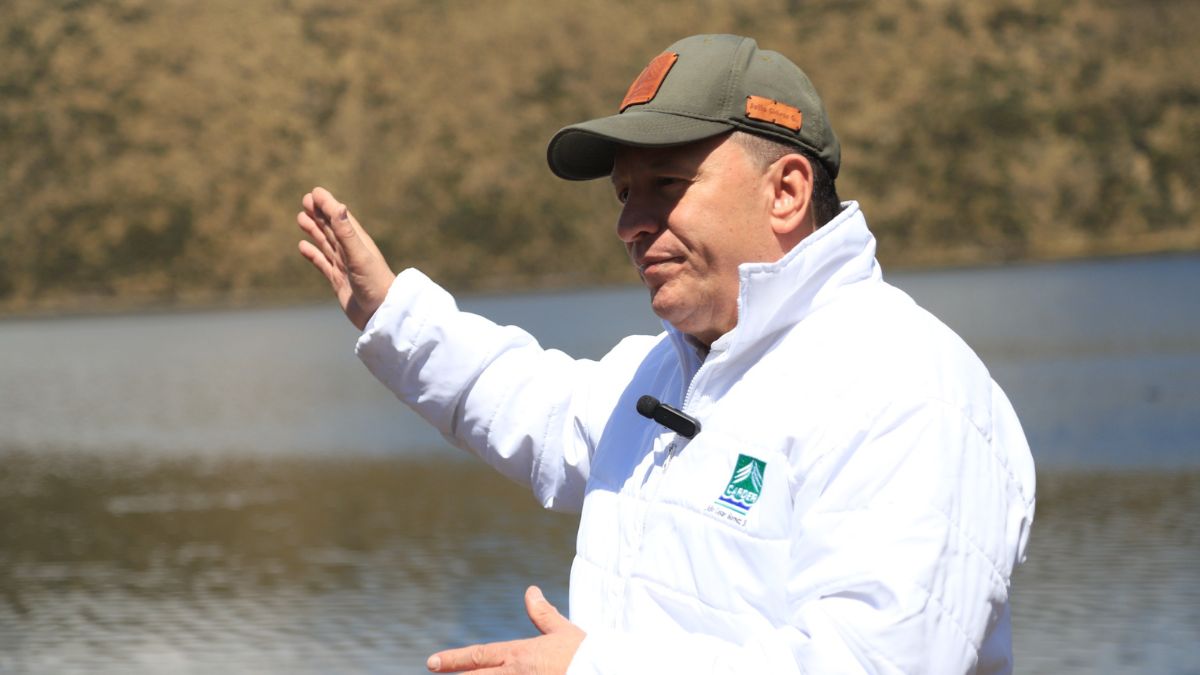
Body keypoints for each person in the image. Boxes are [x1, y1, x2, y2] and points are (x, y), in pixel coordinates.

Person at [297, 34, 1036, 675]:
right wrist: (389, 313)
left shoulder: (904, 386)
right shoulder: (671, 370)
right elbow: (529, 401)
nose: (629, 223)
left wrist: (591, 665)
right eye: (623, 193)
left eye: (666, 186)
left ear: (785, 192)